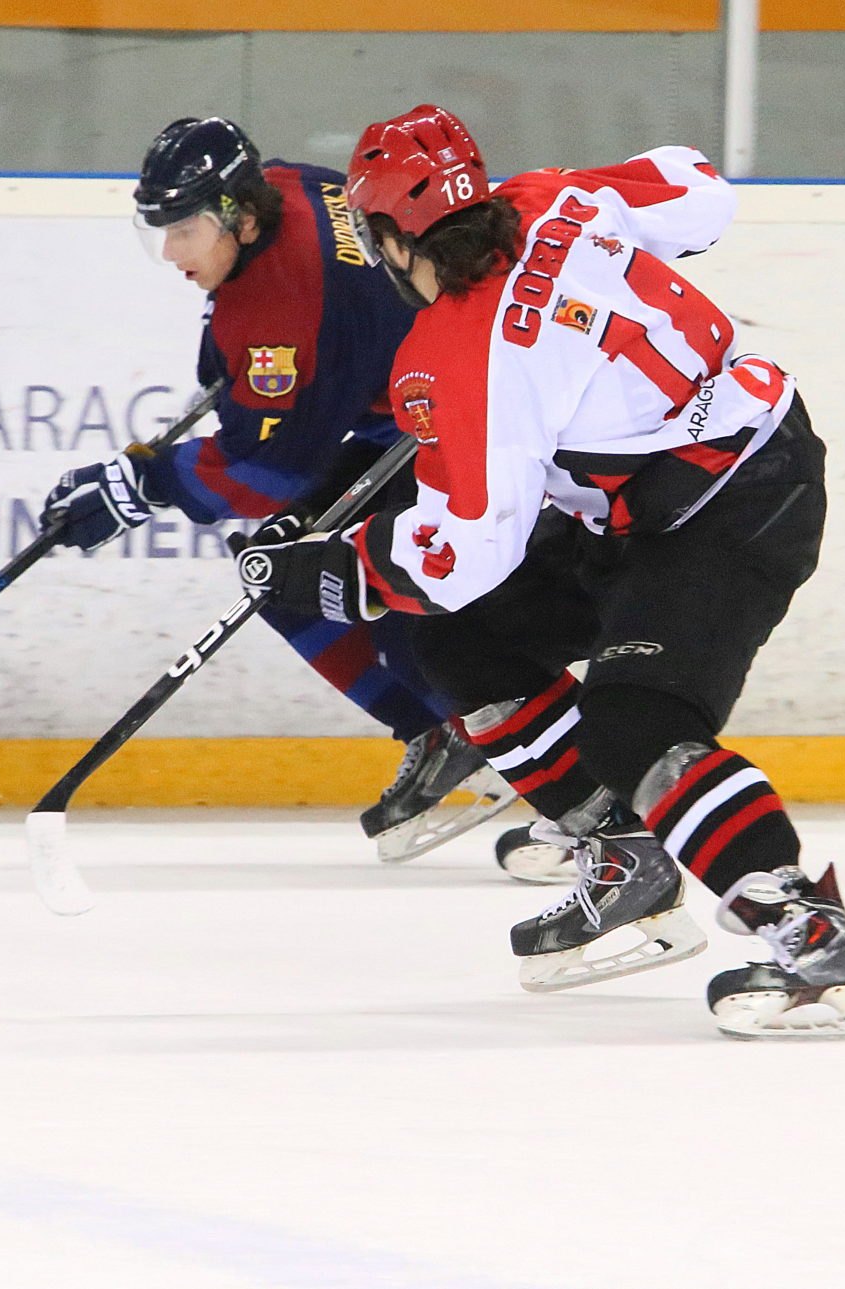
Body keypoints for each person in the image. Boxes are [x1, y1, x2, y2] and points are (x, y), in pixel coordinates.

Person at [233, 104, 845, 1039]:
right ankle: (624, 859)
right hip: (649, 500)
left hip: (736, 502)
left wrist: (334, 575)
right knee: (461, 640)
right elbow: (699, 189)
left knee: (638, 725)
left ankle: (808, 935)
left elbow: (465, 552)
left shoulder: (462, 352)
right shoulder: (555, 197)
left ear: (387, 236)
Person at [41, 116, 513, 862]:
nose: (170, 252)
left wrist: (143, 484)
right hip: (406, 403)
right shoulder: (288, 183)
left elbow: (269, 471)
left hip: (444, 422)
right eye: (160, 230)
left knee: (367, 592)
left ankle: (561, 784)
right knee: (283, 574)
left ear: (237, 216)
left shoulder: (280, 315)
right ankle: (442, 733)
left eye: (185, 230)